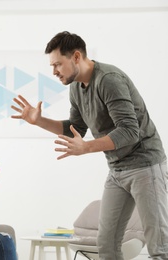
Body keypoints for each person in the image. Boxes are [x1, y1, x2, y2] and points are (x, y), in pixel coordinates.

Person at [11, 31, 168, 259]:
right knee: (107, 246)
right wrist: (38, 121)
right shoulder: (76, 87)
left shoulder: (108, 80)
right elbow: (76, 128)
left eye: (57, 64)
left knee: (159, 247)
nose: (54, 71)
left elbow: (129, 130)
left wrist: (86, 147)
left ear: (76, 57)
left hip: (145, 165)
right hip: (117, 169)